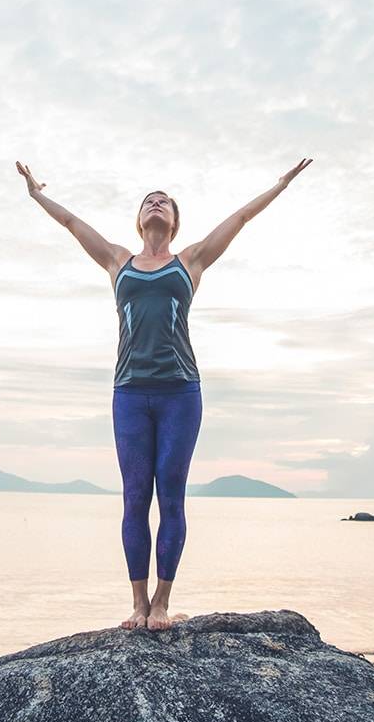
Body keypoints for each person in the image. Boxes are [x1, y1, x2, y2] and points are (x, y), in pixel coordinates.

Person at [16, 156, 313, 631]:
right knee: (136, 497)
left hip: (180, 393)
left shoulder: (189, 261)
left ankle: (162, 602)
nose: (156, 205)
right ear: (139, 220)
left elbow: (239, 219)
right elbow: (72, 222)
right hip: (130, 393)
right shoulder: (117, 260)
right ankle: (136, 603)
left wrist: (279, 184)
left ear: (174, 221)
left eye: (165, 203)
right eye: (149, 202)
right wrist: (35, 193)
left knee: (171, 496)